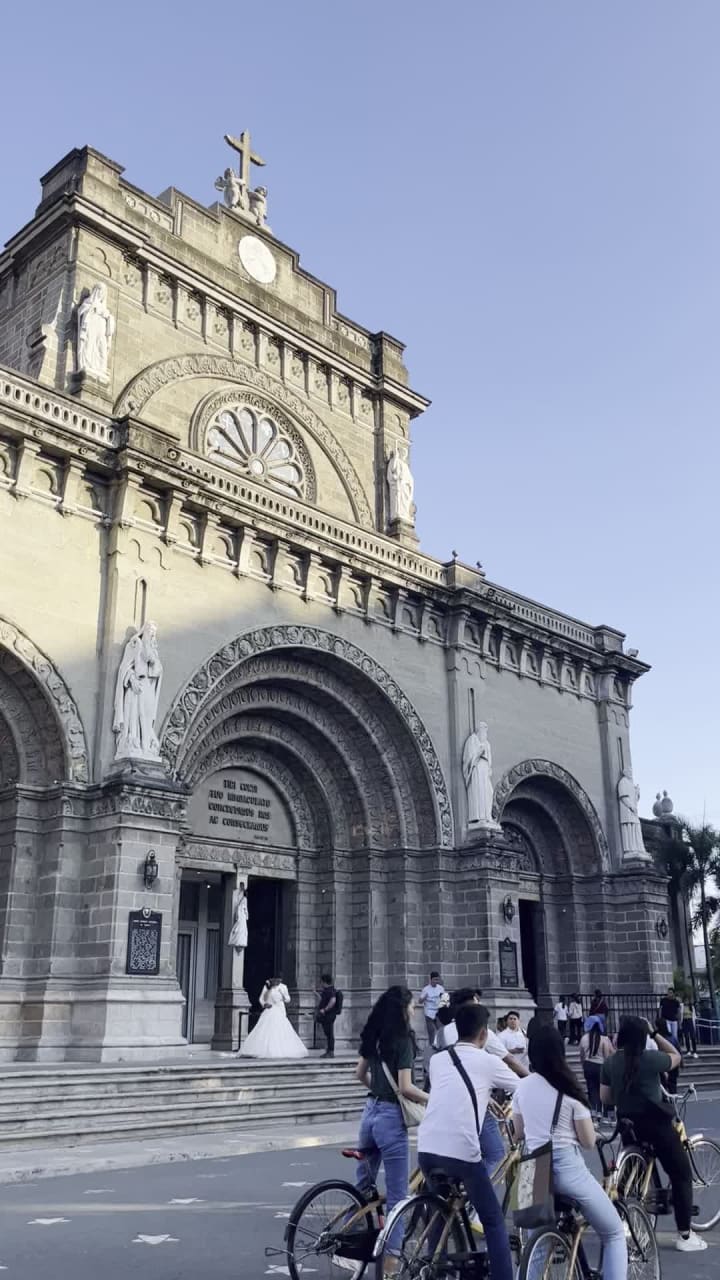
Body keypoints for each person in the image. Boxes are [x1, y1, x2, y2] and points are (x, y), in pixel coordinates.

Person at [513, 1027, 627, 1280]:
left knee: (537, 1247)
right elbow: (587, 1142)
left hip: (533, 1170)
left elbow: (518, 1133)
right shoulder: (570, 1088)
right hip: (567, 1168)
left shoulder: (522, 1087)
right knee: (613, 1233)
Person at [419, 1003, 518, 1280]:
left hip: (427, 1149)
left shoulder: (438, 1061)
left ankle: (434, 1270)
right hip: (461, 1153)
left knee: (438, 1210)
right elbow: (523, 1087)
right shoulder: (487, 1061)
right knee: (494, 1222)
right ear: (484, 1034)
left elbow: (456, 1092)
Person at [600, 1015, 706, 1252]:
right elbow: (676, 1056)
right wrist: (655, 1033)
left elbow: (605, 1098)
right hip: (655, 1125)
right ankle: (685, 1235)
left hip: (628, 1124)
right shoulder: (650, 1059)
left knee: (628, 1175)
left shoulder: (610, 1063)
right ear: (642, 1038)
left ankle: (625, 1221)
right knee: (681, 1174)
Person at [354, 986, 428, 1268]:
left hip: (369, 1111)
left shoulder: (373, 1036)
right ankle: (391, 1263)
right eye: (411, 1005)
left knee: (362, 1186)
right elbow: (408, 1088)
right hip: (389, 1118)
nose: (413, 1010)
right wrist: (431, 1099)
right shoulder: (402, 1041)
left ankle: (352, 1243)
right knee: (398, 1196)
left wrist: (380, 1092)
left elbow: (359, 1074)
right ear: (402, 1009)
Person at [434, 988, 528, 1177]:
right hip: (472, 1106)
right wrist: (533, 1079)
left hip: (443, 1104)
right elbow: (509, 1060)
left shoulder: (442, 1033)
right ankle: (475, 1191)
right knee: (495, 1153)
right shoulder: (484, 1037)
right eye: (477, 1003)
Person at [239, 977, 308, 1059]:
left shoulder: (283, 987)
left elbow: (288, 999)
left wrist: (282, 994)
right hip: (270, 1009)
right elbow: (261, 998)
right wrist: (264, 1004)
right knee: (266, 1028)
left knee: (281, 1028)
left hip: (279, 1009)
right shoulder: (267, 987)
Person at [579, 1016, 613, 1116]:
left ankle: (594, 1113)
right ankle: (607, 1115)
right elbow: (607, 1056)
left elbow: (581, 1055)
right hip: (600, 1066)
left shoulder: (584, 1038)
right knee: (603, 1090)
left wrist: (583, 1065)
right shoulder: (604, 1039)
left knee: (592, 1090)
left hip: (588, 1065)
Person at [418, 971, 445, 1044]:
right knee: (431, 1031)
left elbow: (444, 1000)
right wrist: (424, 997)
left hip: (438, 1012)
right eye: (435, 980)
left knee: (441, 1030)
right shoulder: (426, 989)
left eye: (437, 979)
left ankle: (441, 1045)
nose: (436, 981)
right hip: (429, 1013)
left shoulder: (441, 988)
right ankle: (431, 1046)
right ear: (431, 980)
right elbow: (420, 1001)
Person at [316, 973, 338, 1058]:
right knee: (328, 1033)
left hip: (328, 1015)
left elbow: (333, 1000)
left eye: (321, 981)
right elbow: (322, 999)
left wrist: (325, 1009)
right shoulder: (327, 990)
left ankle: (330, 1051)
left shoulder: (330, 990)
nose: (320, 983)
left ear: (324, 981)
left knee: (329, 1033)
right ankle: (329, 1051)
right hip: (327, 1014)